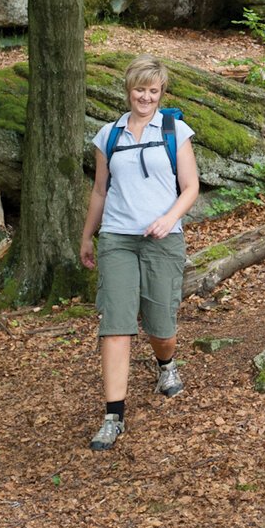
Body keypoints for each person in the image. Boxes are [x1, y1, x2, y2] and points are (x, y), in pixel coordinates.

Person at [80, 55, 201, 450]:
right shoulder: (108, 135)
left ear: (161, 92)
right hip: (117, 238)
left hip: (162, 240)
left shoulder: (175, 130)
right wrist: (87, 236)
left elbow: (191, 187)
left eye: (153, 91)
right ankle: (113, 415)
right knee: (115, 325)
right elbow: (99, 191)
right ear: (128, 90)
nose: (145, 97)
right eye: (139, 89)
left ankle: (166, 363)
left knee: (160, 326)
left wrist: (169, 219)